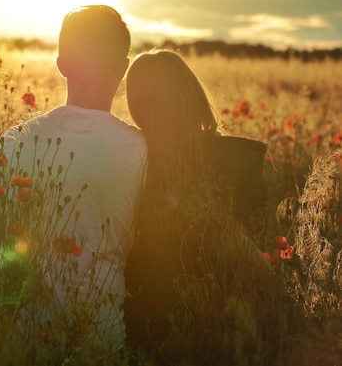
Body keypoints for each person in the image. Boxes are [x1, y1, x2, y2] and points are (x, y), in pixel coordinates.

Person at [0, 5, 147, 361]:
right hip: (103, 340)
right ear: (123, 69)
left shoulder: (14, 143)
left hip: (26, 339)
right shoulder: (142, 151)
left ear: (61, 65)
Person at [123, 49, 298, 364]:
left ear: (138, 106)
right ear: (191, 94)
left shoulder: (135, 160)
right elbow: (254, 244)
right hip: (233, 328)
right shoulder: (239, 162)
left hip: (147, 331)